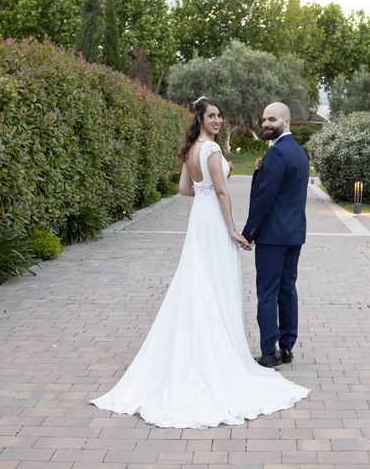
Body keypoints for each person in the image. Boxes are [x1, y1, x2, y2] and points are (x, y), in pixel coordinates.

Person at [90, 97, 309, 429]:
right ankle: (281, 346)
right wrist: (232, 224)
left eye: (219, 115)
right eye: (213, 116)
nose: (218, 120)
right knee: (258, 287)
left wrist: (218, 205)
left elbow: (184, 189)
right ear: (202, 118)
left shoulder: (193, 149)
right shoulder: (226, 152)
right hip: (264, 228)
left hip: (202, 222)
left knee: (204, 281)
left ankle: (264, 350)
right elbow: (222, 193)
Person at [242, 102, 309, 368]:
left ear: (286, 122)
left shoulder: (278, 154)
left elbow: (265, 198)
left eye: (271, 119)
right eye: (263, 120)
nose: (265, 124)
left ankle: (269, 352)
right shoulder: (299, 153)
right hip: (294, 234)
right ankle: (287, 348)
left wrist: (250, 232)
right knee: (287, 290)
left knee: (267, 293)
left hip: (272, 236)